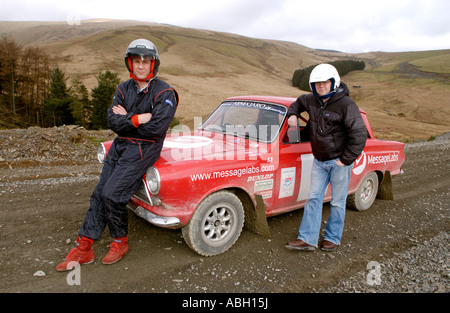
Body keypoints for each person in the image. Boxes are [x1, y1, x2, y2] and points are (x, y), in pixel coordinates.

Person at [56, 39, 178, 271]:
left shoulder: (165, 92)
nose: (141, 66)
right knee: (99, 193)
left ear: (153, 64)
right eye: (136, 61)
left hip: (144, 148)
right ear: (129, 63)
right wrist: (139, 117)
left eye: (146, 61)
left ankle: (120, 242)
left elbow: (156, 129)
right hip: (121, 145)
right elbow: (113, 121)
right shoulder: (122, 89)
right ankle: (84, 246)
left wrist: (127, 118)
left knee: (113, 195)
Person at [285, 64, 366, 252]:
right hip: (319, 161)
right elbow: (297, 103)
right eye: (316, 84)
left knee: (337, 202)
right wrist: (292, 114)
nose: (320, 86)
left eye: (324, 83)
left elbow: (359, 134)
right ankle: (307, 239)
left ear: (333, 83)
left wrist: (345, 160)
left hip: (338, 162)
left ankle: (332, 238)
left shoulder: (346, 105)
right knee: (313, 198)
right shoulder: (311, 100)